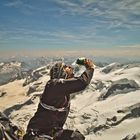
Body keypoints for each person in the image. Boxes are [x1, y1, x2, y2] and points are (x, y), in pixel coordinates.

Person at [23, 58, 94, 140]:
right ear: (61, 72)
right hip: (37, 134)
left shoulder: (61, 90)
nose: (70, 68)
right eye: (66, 67)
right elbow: (82, 82)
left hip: (53, 133)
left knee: (77, 138)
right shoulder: (53, 85)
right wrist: (90, 68)